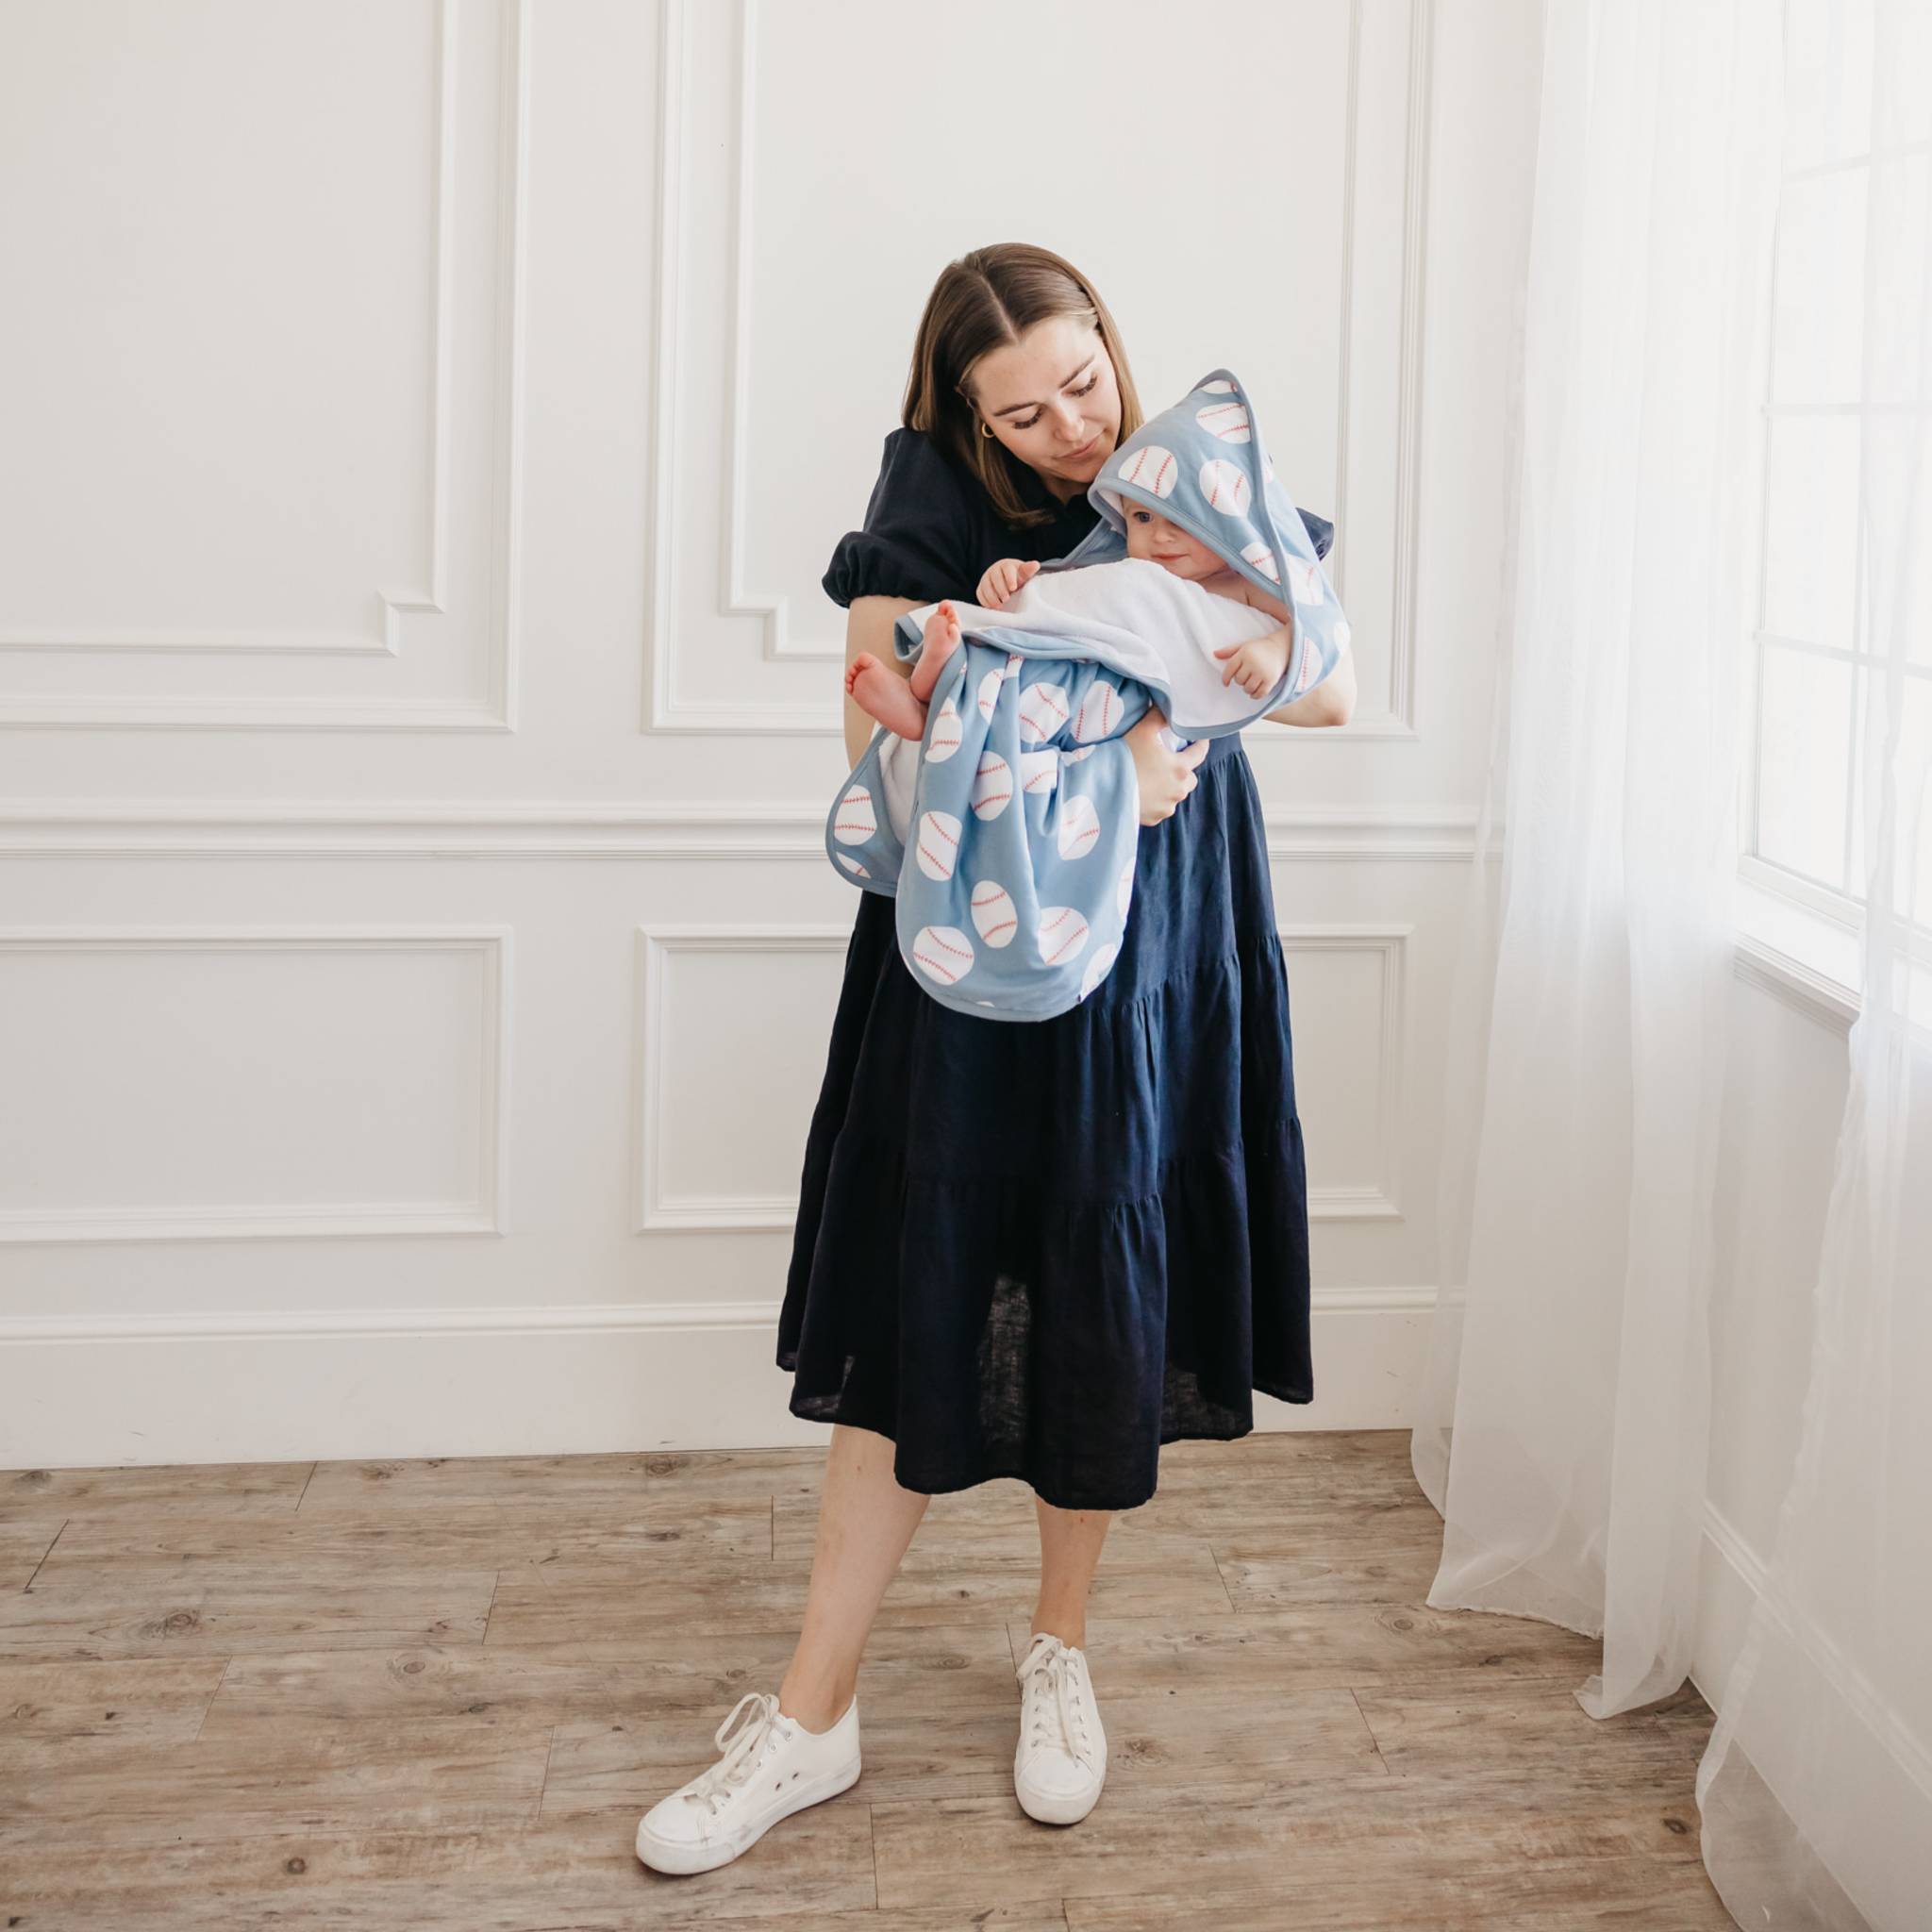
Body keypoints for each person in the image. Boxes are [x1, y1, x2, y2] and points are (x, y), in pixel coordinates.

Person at [636, 243, 1355, 1879]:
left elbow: (1331, 686)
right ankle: (813, 1711)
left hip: (1159, 933)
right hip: (980, 935)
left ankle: (1058, 1651)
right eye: (1023, 416)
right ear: (966, 414)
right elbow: (871, 736)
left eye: (1082, 385)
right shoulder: (930, 493)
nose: (1070, 431)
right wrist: (1112, 759)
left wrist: (1188, 695)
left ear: (1110, 337)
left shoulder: (1188, 470)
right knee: (921, 1290)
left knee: (1099, 1282)